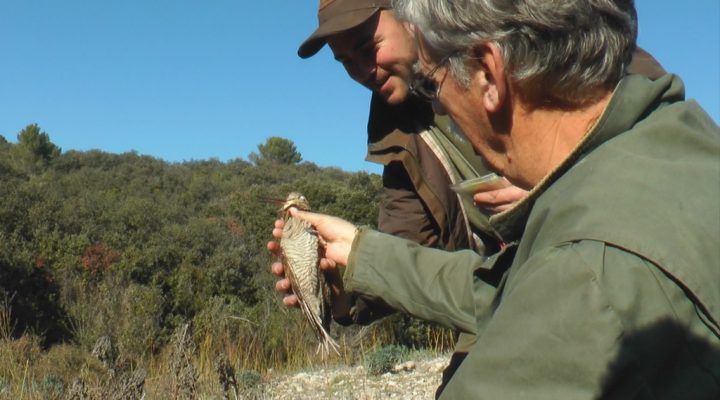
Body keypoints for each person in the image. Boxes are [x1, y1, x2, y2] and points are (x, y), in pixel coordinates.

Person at [273, 0, 720, 397]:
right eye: (344, 61)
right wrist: (355, 265)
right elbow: (498, 287)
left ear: (488, 74)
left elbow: (563, 293)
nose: (442, 109)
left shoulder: (585, 275)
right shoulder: (686, 139)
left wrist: (555, 187)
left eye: (435, 82)